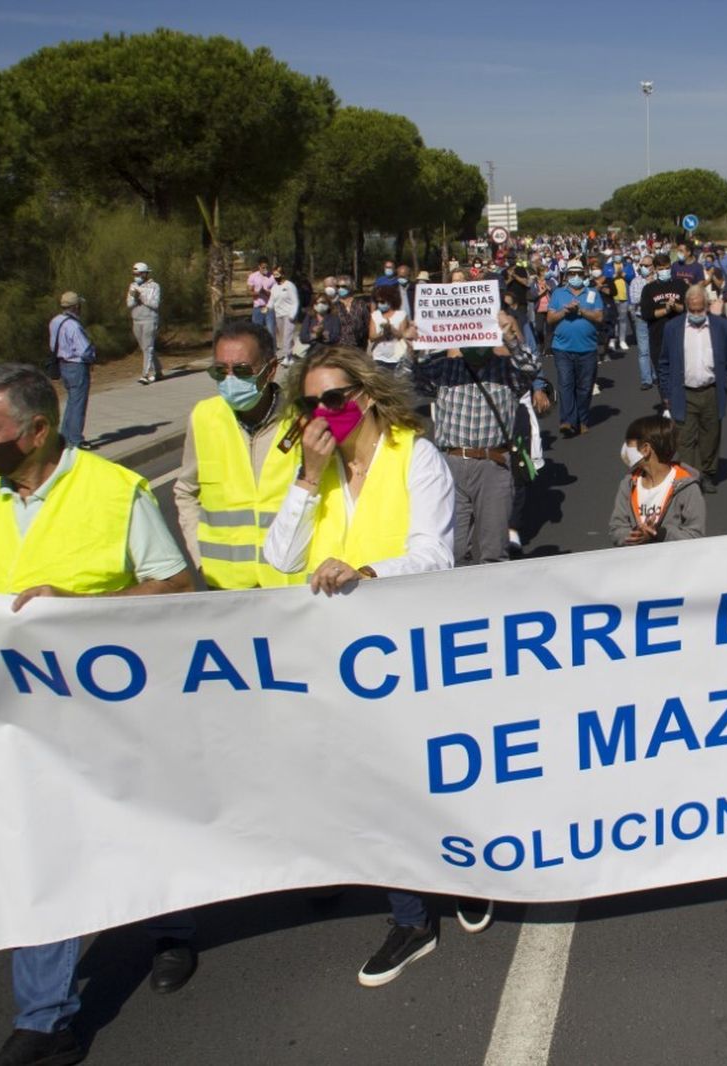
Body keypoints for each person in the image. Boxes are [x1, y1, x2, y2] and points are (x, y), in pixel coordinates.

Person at [0, 363, 196, 1066]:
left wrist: (78, 610)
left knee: (138, 827)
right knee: (37, 849)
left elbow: (175, 585)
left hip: (107, 710)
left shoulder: (116, 492)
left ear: (36, 431)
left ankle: (169, 929)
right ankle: (45, 1022)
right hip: (13, 714)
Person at [259, 347, 476, 985]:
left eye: (334, 398)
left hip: (412, 648)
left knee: (434, 778)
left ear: (369, 395)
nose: (322, 413)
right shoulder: (315, 469)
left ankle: (471, 869)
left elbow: (435, 554)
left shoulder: (416, 456)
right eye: (309, 403)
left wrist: (369, 574)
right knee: (372, 786)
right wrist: (305, 477)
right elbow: (281, 556)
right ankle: (410, 918)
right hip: (343, 661)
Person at [173, 320, 307, 590]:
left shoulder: (302, 419)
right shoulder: (204, 417)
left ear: (270, 369)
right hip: (226, 588)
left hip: (290, 585)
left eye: (242, 370)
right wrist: (202, 561)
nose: (230, 379)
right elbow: (186, 491)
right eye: (220, 371)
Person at [410, 313, 538, 565]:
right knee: (449, 550)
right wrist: (412, 348)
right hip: (450, 464)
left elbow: (531, 368)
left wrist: (510, 338)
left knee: (494, 550)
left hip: (493, 464)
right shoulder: (444, 369)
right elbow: (406, 380)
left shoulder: (507, 370)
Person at [660, 285, 727, 494]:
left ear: (707, 306)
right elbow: (664, 363)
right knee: (685, 438)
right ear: (686, 308)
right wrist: (666, 393)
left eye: (700, 310)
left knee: (710, 436)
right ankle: (690, 478)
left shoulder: (720, 327)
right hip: (684, 392)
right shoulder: (673, 328)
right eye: (693, 310)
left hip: (711, 391)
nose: (697, 315)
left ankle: (707, 473)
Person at [608, 414, 705, 544]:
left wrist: (660, 534)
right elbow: (616, 528)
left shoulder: (688, 487)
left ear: (646, 449)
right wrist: (636, 535)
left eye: (629, 443)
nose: (625, 449)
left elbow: (696, 535)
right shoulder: (628, 484)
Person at [547, 258, 606, 437]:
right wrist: (565, 311)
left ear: (583, 275)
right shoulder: (558, 293)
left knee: (585, 387)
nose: (575, 277)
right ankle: (567, 420)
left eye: (578, 273)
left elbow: (599, 317)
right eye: (572, 273)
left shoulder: (593, 293)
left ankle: (582, 419)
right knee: (565, 383)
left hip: (587, 348)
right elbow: (550, 319)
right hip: (562, 348)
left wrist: (581, 311)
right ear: (566, 276)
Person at [48, 291, 96, 449]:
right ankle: (76, 439)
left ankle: (65, 436)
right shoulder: (74, 326)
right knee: (78, 403)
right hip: (76, 365)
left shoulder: (56, 321)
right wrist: (92, 357)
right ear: (75, 307)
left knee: (71, 401)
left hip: (63, 364)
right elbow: (84, 350)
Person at [639, 254, 688, 407]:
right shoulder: (648, 289)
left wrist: (676, 307)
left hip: (681, 337)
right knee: (663, 375)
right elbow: (647, 314)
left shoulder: (681, 285)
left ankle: (682, 406)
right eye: (661, 269)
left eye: (667, 268)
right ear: (655, 269)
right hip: (658, 338)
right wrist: (666, 310)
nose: (665, 271)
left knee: (681, 374)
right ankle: (667, 405)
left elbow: (688, 309)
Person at [128, 261, 162, 384]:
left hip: (150, 320)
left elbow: (155, 304)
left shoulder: (154, 286)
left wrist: (142, 296)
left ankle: (145, 374)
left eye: (138, 274)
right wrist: (134, 298)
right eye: (134, 274)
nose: (136, 276)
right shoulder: (132, 285)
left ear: (145, 274)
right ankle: (158, 371)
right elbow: (129, 304)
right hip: (136, 320)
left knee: (148, 347)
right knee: (145, 348)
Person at [368, 283, 411, 375]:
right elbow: (371, 337)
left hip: (397, 357)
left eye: (382, 302)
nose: (380, 304)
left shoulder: (401, 315)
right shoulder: (375, 315)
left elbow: (402, 335)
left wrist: (391, 329)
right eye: (378, 302)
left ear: (390, 300)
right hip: (379, 357)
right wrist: (382, 333)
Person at [628, 256, 654, 388]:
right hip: (641, 318)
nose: (643, 267)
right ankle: (646, 380)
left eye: (647, 265)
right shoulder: (635, 281)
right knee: (643, 351)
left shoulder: (659, 280)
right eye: (642, 265)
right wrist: (649, 288)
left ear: (653, 266)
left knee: (656, 348)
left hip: (656, 318)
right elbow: (634, 299)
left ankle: (656, 376)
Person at [268, 265, 300, 365]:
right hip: (279, 315)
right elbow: (272, 300)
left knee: (287, 336)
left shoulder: (289, 285)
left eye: (277, 274)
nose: (276, 277)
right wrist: (267, 307)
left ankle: (287, 357)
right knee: (284, 336)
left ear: (282, 274)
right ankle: (292, 353)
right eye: (274, 275)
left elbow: (295, 301)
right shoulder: (274, 287)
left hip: (289, 315)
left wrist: (293, 314)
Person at [336, 278, 369, 349]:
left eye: (343, 286)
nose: (340, 288)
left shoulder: (360, 304)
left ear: (350, 287)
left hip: (359, 346)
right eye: (338, 286)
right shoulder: (334, 306)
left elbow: (367, 323)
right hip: (340, 347)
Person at [247, 257, 276, 333]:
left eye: (267, 267)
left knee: (271, 331)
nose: (265, 269)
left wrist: (266, 292)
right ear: (259, 266)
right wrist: (258, 292)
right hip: (257, 308)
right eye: (263, 267)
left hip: (269, 307)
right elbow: (249, 292)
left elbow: (276, 294)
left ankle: (272, 345)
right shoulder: (253, 276)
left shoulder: (273, 277)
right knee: (257, 332)